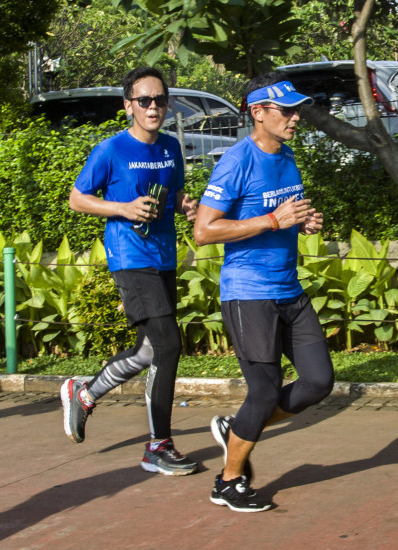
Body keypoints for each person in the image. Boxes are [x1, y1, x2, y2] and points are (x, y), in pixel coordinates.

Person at [194, 72, 335, 513]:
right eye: (286, 111)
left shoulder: (287, 155)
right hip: (248, 293)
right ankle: (228, 481)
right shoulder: (237, 162)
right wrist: (274, 221)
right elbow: (204, 230)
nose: (296, 118)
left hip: (288, 290)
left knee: (318, 381)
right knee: (265, 390)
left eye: (297, 110)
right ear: (258, 112)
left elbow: (288, 209)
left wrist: (305, 220)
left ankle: (238, 430)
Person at [60, 67, 200, 476]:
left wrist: (184, 207)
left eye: (159, 100)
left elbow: (173, 196)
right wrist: (122, 208)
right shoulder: (110, 149)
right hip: (129, 256)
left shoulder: (172, 147)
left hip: (163, 256)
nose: (153, 107)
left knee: (149, 350)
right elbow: (77, 199)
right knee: (169, 345)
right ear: (128, 106)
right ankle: (158, 446)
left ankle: (84, 393)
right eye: (144, 101)